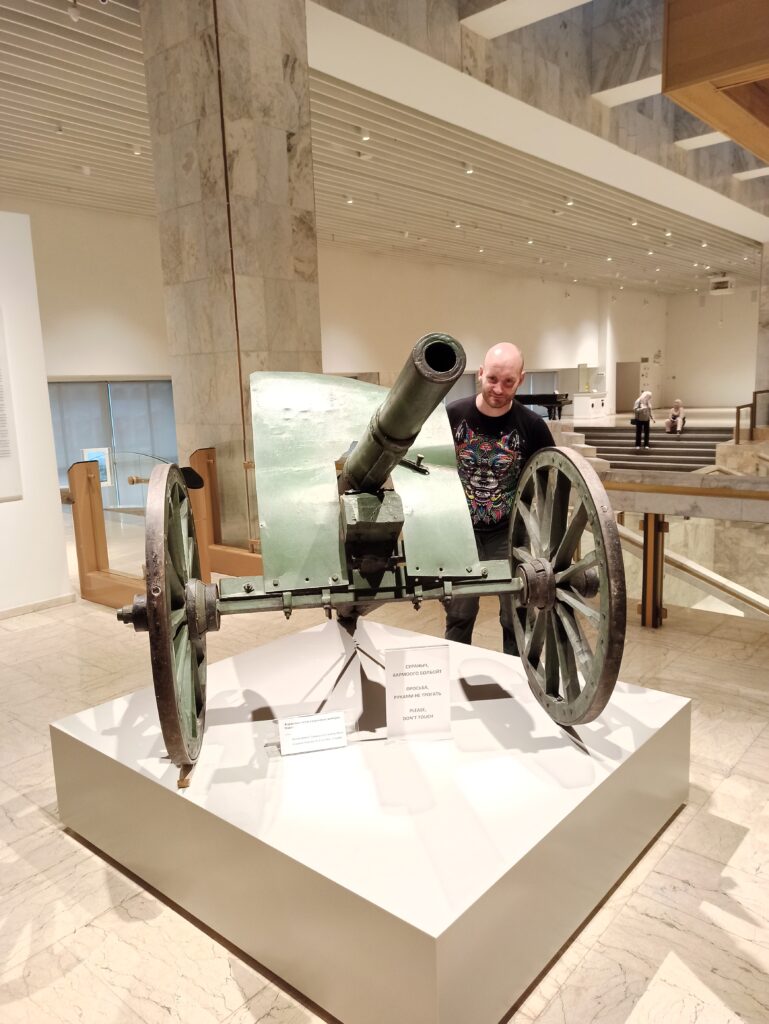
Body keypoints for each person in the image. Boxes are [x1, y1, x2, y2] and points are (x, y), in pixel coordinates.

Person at [445, 342, 554, 656]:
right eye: (492, 378)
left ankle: (517, 678)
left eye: (508, 381)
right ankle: (454, 674)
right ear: (480, 373)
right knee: (459, 614)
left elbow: (547, 482)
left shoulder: (533, 427)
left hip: (508, 533)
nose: (498, 388)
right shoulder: (452, 416)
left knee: (515, 613)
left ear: (521, 379)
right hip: (460, 532)